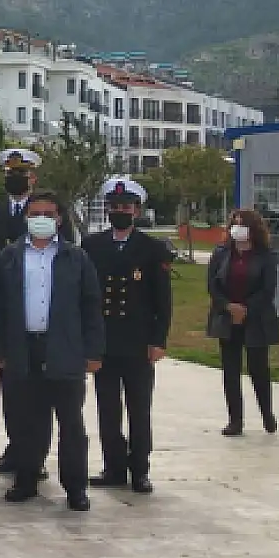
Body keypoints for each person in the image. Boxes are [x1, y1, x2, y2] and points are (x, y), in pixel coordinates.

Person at [0, 192, 103, 512]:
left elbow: (91, 306)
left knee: (70, 423)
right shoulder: (10, 255)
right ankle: (26, 480)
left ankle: (76, 488)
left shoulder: (75, 257)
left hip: (64, 348)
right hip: (23, 348)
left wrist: (93, 351)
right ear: (25, 217)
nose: (41, 218)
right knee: (27, 421)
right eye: (34, 212)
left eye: (48, 213)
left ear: (59, 219)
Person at [0, 148, 74, 477]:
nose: (15, 177)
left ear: (33, 177)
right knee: (13, 390)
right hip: (9, 313)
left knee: (45, 396)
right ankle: (17, 449)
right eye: (10, 172)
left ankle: (35, 457)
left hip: (47, 321)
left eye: (21, 173)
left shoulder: (50, 213)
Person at [83, 178, 172, 494]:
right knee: (107, 409)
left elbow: (163, 300)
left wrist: (158, 340)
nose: (119, 211)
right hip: (104, 341)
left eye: (126, 207)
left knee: (139, 409)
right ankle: (114, 467)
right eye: (115, 206)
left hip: (137, 342)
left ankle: (140, 470)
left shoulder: (152, 248)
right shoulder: (92, 246)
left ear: (137, 210)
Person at [208, 208, 279, 437]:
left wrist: (246, 309)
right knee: (230, 371)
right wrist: (229, 306)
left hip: (256, 318)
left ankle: (267, 414)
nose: (237, 227)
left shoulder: (265, 256)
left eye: (242, 223)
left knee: (258, 369)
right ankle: (235, 420)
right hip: (227, 317)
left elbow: (267, 290)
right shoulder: (221, 253)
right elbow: (212, 285)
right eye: (234, 223)